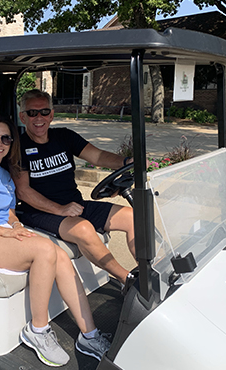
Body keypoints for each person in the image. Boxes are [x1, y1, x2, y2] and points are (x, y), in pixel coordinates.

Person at [0, 114, 111, 367]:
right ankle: (38, 330)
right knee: (46, 249)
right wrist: (4, 232)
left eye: (6, 138)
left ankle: (89, 335)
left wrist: (14, 224)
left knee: (58, 254)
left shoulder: (4, 174)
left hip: (2, 232)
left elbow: (8, 210)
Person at [15, 89, 136, 285]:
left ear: (52, 115)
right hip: (38, 212)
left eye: (44, 112)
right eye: (32, 113)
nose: (39, 117)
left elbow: (97, 156)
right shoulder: (18, 147)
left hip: (74, 205)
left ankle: (151, 272)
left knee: (132, 217)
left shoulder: (64, 137)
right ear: (23, 116)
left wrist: (126, 161)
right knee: (84, 229)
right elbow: (23, 191)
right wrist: (60, 209)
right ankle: (129, 280)